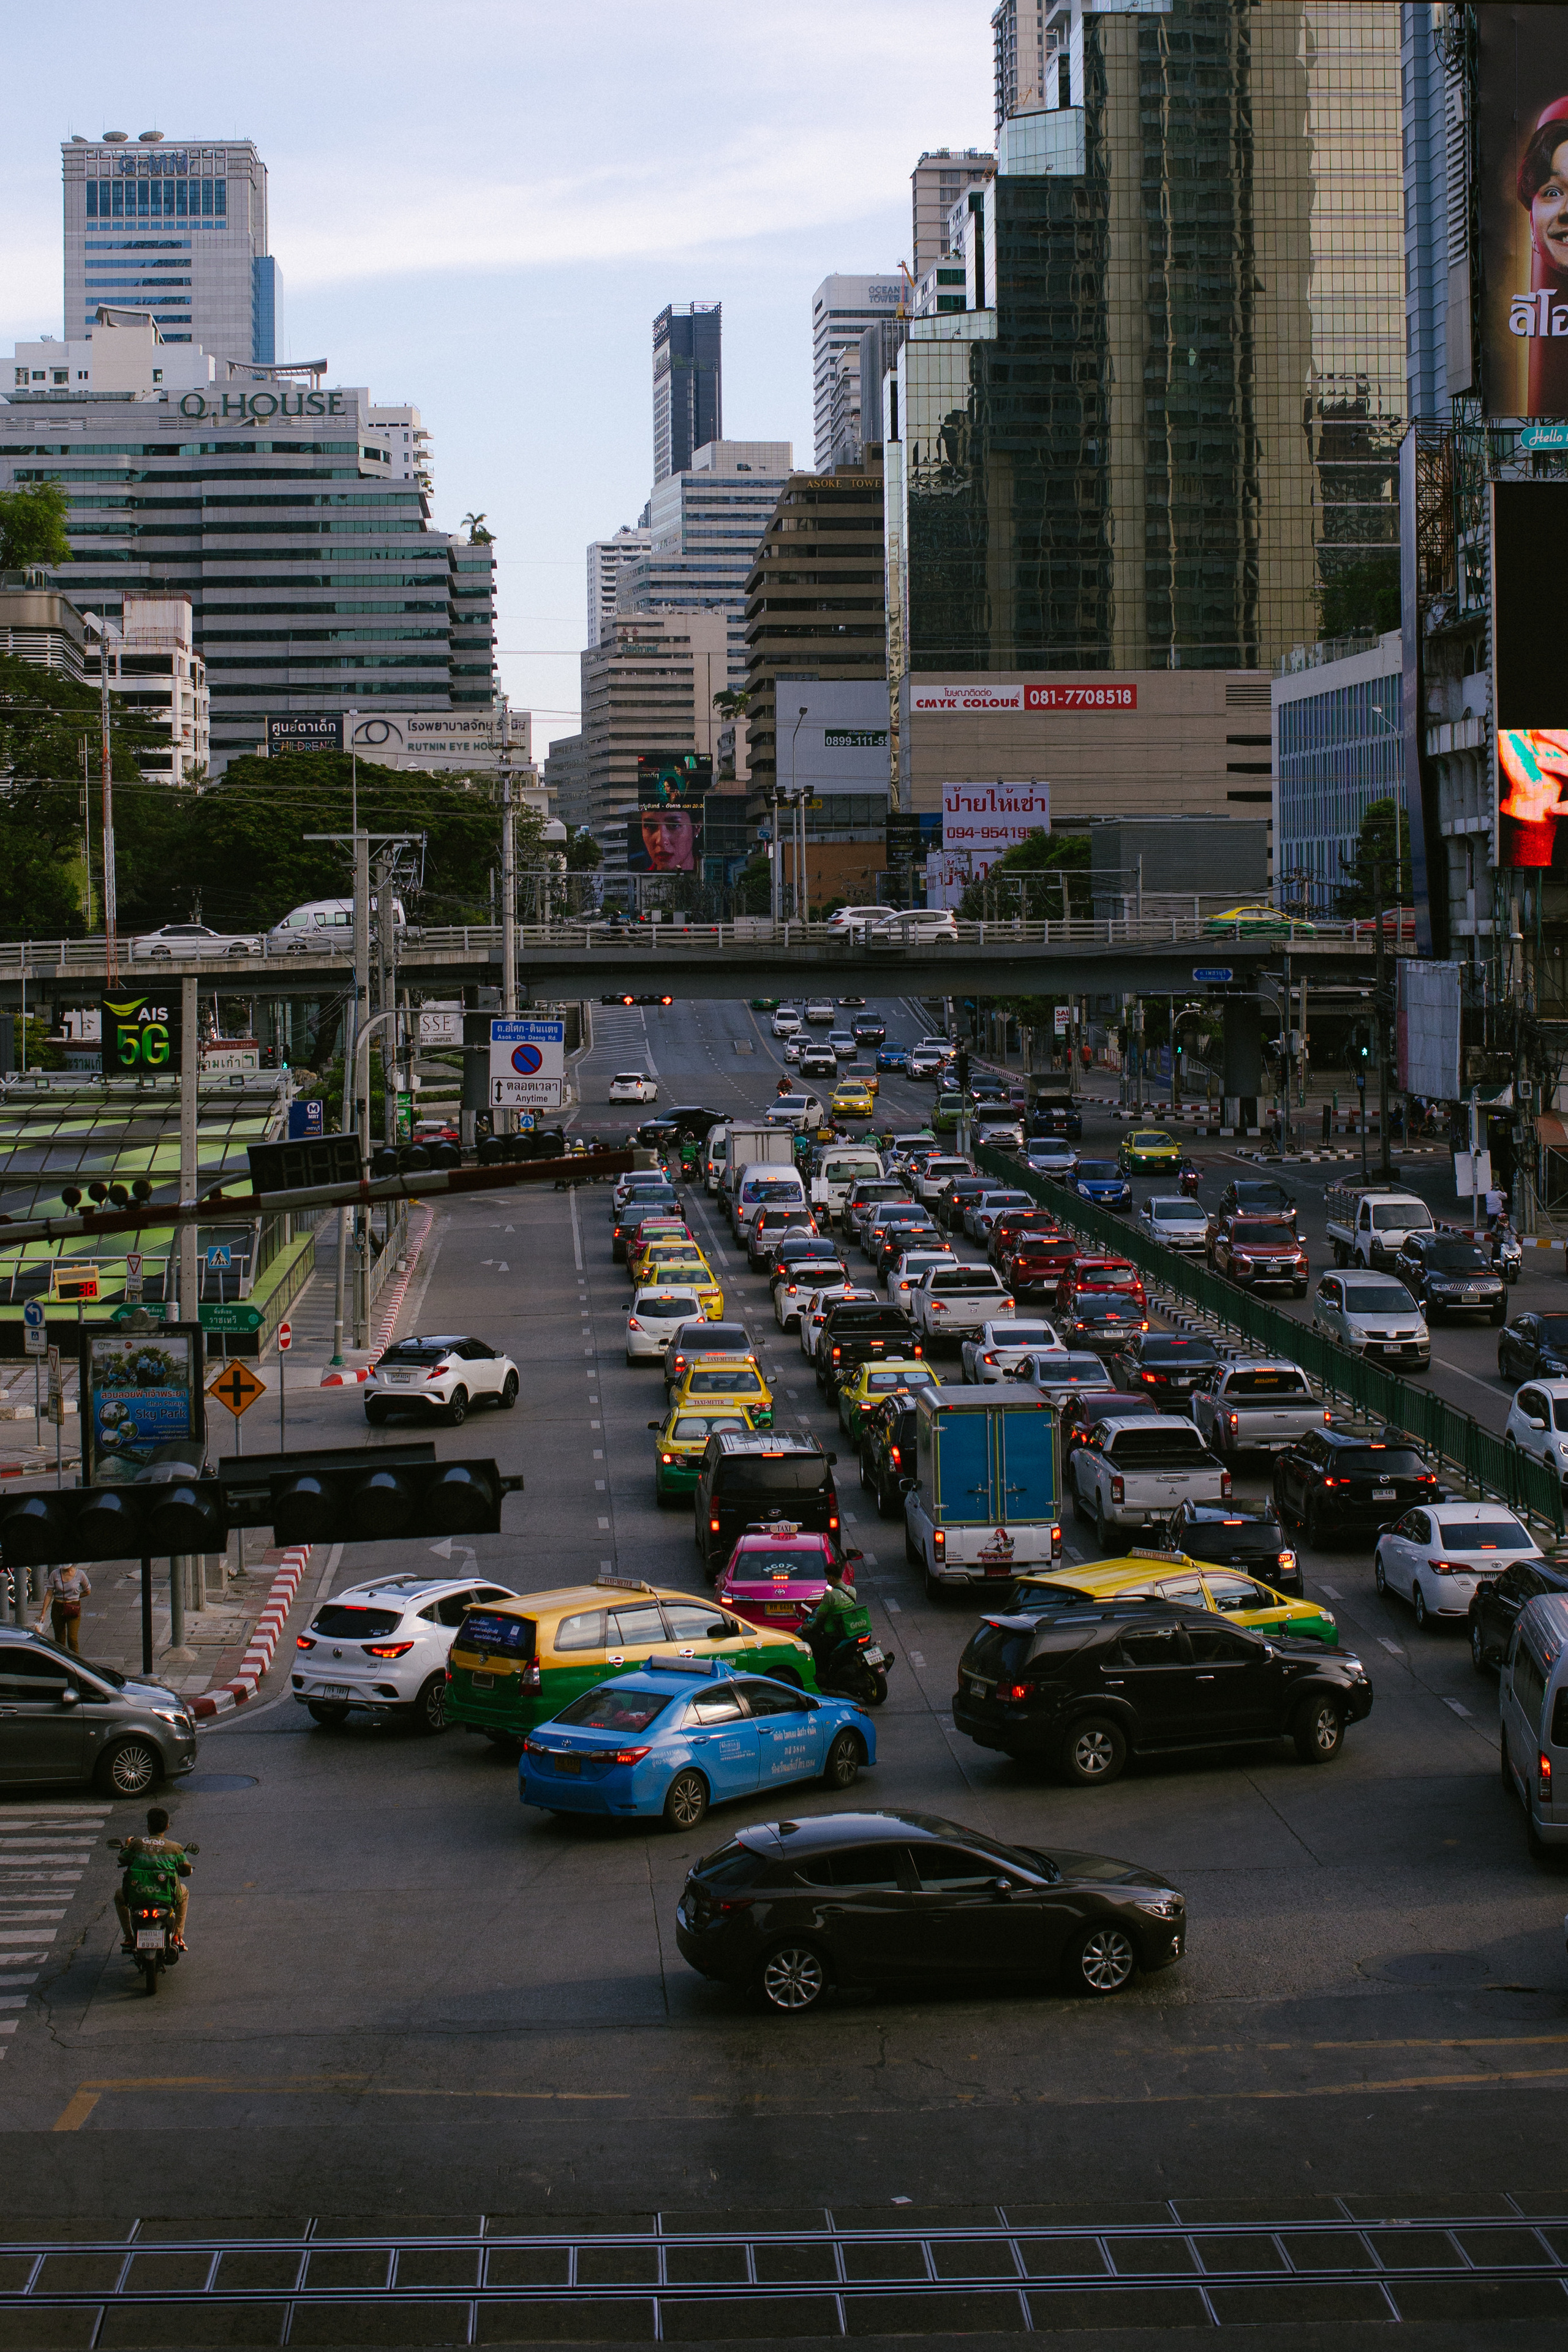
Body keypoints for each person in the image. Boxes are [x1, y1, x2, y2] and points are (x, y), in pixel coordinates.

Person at [113, 1807, 191, 1953]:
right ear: (167, 1826)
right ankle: (178, 1936)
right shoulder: (175, 1848)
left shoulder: (137, 1844)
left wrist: (128, 1845)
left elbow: (123, 1858)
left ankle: (129, 1937)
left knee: (119, 1896)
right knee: (184, 1892)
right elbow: (185, 1870)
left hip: (137, 1895)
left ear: (148, 1826)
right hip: (165, 1896)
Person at [801, 1559, 872, 1686]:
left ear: (832, 1579)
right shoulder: (852, 1591)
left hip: (833, 1636)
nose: (828, 1581)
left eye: (828, 1578)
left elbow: (820, 1619)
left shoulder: (830, 1596)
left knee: (813, 1645)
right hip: (850, 1631)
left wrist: (808, 1627)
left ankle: (821, 1674)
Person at [36, 1562, 89, 1654]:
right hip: (58, 1607)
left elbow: (88, 1591)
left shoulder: (80, 1574)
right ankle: (62, 1660)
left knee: (72, 1638)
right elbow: (49, 1594)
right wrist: (43, 1613)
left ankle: (76, 1661)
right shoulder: (55, 1574)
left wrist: (76, 1597)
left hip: (73, 1608)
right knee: (59, 1639)